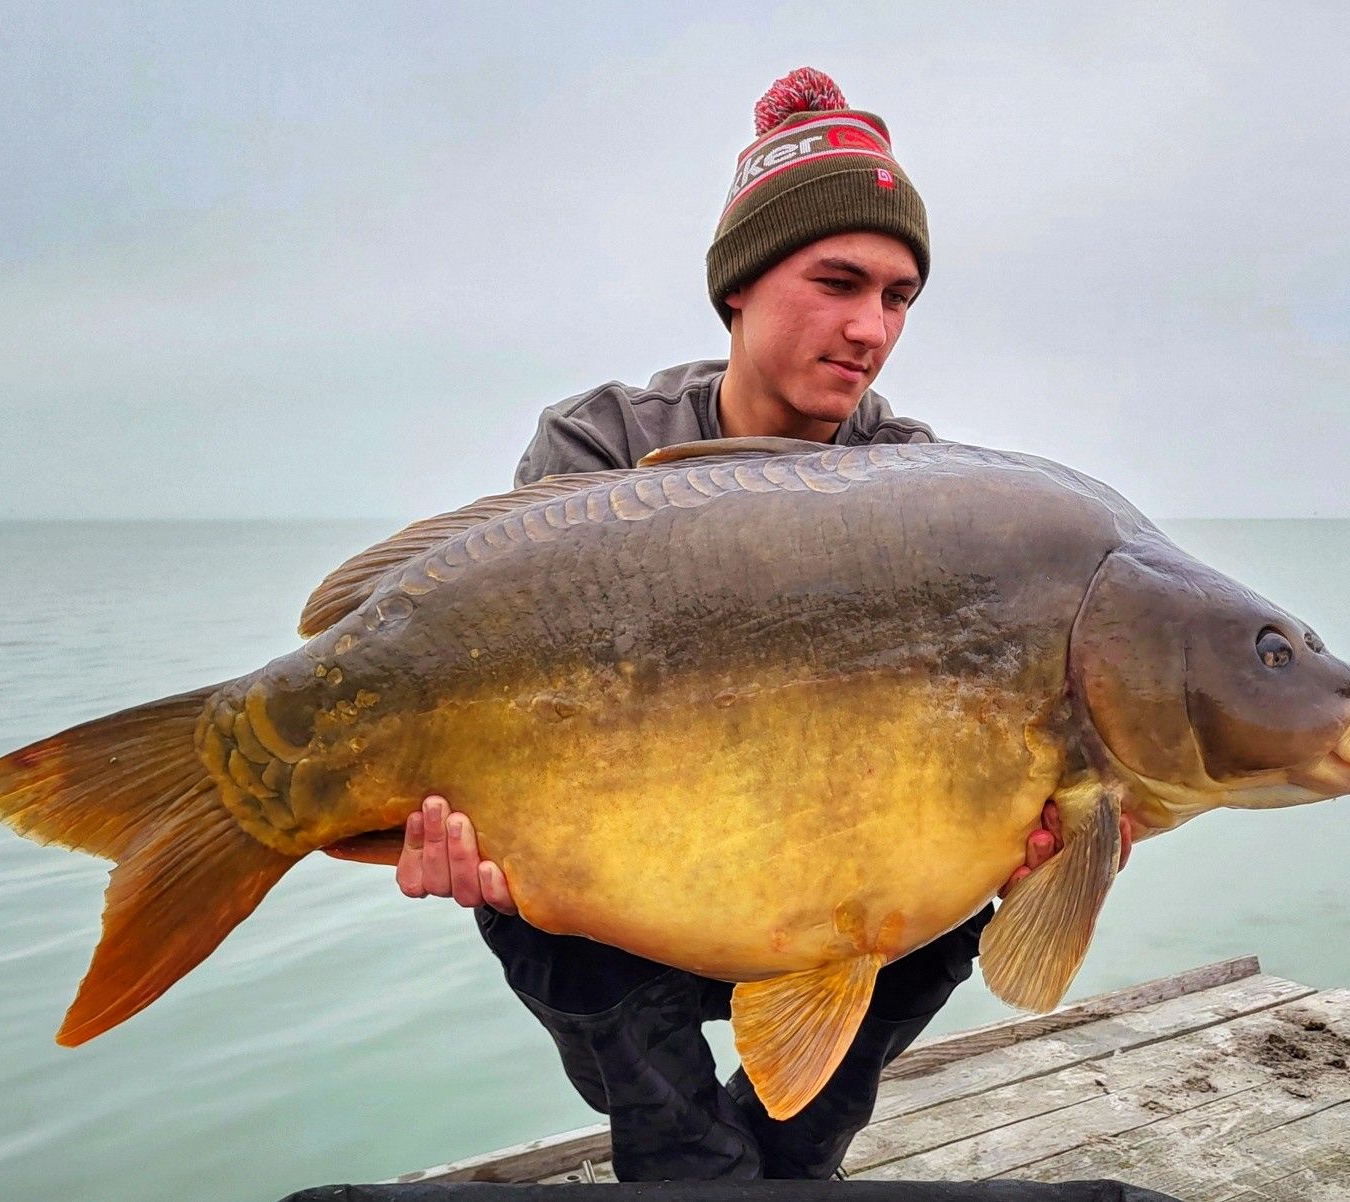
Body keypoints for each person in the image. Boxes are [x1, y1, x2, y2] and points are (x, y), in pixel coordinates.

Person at [336, 68, 1133, 1181]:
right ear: (741, 289)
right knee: (523, 881)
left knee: (962, 872)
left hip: (825, 892)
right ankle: (692, 1162)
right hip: (636, 910)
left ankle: (790, 1154)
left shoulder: (917, 489)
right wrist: (441, 824)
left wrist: (1030, 839)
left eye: (900, 297)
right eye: (838, 281)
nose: (871, 328)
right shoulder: (598, 451)